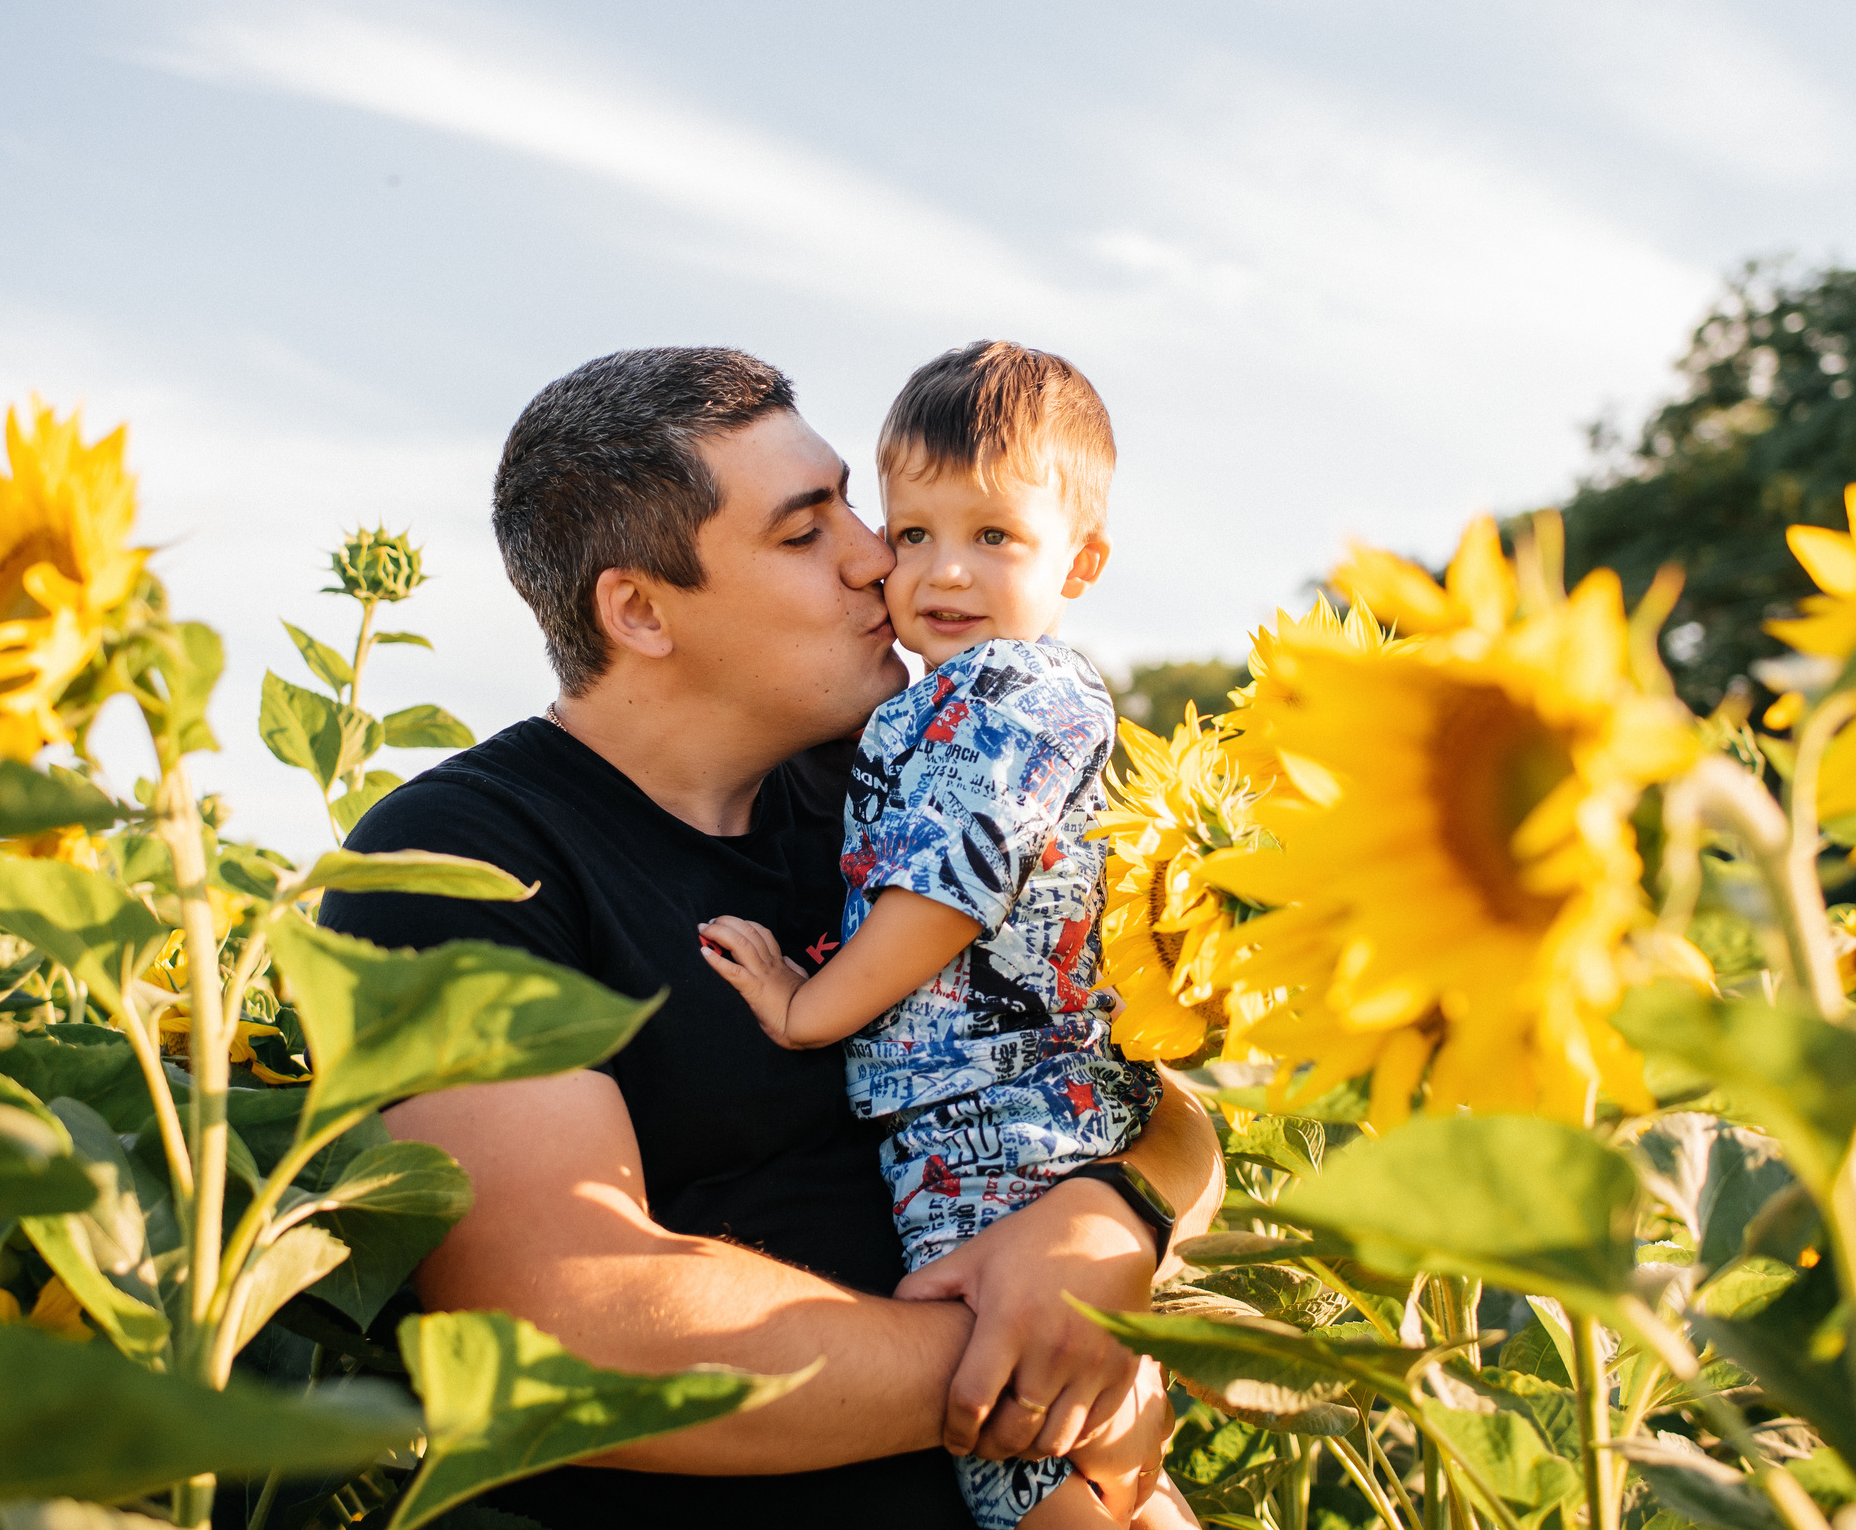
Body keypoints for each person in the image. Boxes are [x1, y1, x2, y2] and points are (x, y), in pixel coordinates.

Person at [321, 346, 1220, 1529]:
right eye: (805, 534)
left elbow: (1154, 1105)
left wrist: (1108, 1228)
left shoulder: (899, 785)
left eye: (853, 503)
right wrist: (1030, 1369)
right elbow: (568, 1329)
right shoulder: (459, 857)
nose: (876, 558)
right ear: (639, 610)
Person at [701, 342, 1170, 1530]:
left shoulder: (1011, 688)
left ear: (1084, 558)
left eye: (994, 538)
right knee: (1096, 1456)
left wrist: (811, 1005)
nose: (940, 572)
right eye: (913, 533)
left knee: (1022, 1444)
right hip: (1015, 1120)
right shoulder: (945, 699)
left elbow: (950, 883)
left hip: (999, 1129)